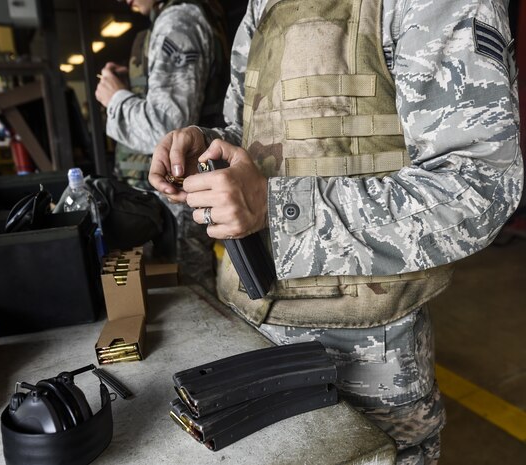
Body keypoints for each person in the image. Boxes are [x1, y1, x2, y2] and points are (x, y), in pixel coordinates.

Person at [149, 0, 523, 463]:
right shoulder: (263, 6)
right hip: (251, 334)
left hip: (368, 356)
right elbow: (250, 133)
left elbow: (479, 186)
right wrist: (207, 147)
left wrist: (275, 206)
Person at [95, 0, 229, 291]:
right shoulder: (180, 19)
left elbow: (167, 129)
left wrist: (115, 99)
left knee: (190, 296)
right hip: (175, 197)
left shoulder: (177, 22)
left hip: (178, 199)